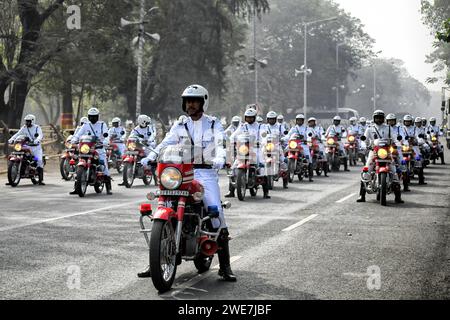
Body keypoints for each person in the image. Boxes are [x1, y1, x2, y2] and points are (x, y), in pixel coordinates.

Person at [139, 84, 236, 282]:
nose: (190, 105)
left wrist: (220, 158)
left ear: (203, 103)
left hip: (206, 173)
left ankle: (225, 266)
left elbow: (220, 142)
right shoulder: (180, 124)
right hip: (181, 172)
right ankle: (156, 260)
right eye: (188, 101)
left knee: (215, 211)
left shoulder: (213, 124)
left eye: (195, 101)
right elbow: (165, 142)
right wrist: (151, 155)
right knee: (164, 203)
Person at [357, 110, 404, 203]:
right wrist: (365, 145)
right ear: (374, 118)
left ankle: (398, 196)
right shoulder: (370, 128)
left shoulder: (389, 128)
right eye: (377, 117)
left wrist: (396, 143)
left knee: (394, 172)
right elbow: (364, 139)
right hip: (374, 151)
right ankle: (361, 195)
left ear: (383, 118)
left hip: (387, 152)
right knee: (366, 170)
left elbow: (394, 137)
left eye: (380, 117)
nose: (378, 119)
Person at [227, 108, 269, 198]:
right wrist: (231, 141)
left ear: (254, 117)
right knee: (234, 167)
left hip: (256, 149)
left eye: (251, 117)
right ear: (245, 118)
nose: (249, 119)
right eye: (247, 117)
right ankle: (231, 191)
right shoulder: (243, 126)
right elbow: (234, 135)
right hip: (244, 149)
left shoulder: (261, 126)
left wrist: (263, 142)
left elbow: (264, 135)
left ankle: (266, 192)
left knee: (262, 166)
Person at [70, 107, 112, 195]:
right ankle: (76, 187)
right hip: (87, 148)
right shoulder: (85, 125)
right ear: (88, 117)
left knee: (104, 165)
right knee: (79, 164)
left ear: (97, 117)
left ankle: (109, 187)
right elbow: (78, 135)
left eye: (94, 116)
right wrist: (73, 140)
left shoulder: (102, 125)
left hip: (98, 148)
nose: (93, 118)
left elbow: (106, 135)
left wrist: (105, 141)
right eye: (91, 116)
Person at [8, 114, 46, 185]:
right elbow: (18, 134)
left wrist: (37, 140)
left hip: (36, 147)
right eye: (26, 121)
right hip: (27, 146)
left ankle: (40, 180)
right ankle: (12, 178)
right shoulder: (24, 127)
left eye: (28, 121)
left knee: (38, 160)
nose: (27, 123)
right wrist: (11, 139)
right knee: (18, 155)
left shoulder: (37, 128)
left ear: (32, 121)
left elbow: (40, 135)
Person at [287, 114, 314, 182]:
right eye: (298, 120)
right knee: (284, 152)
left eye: (300, 120)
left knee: (308, 158)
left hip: (303, 145)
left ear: (303, 121)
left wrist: (309, 138)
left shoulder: (306, 128)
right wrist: (282, 138)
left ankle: (310, 176)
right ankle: (285, 168)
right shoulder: (293, 128)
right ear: (296, 121)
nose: (299, 121)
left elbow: (309, 134)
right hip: (294, 144)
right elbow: (288, 135)